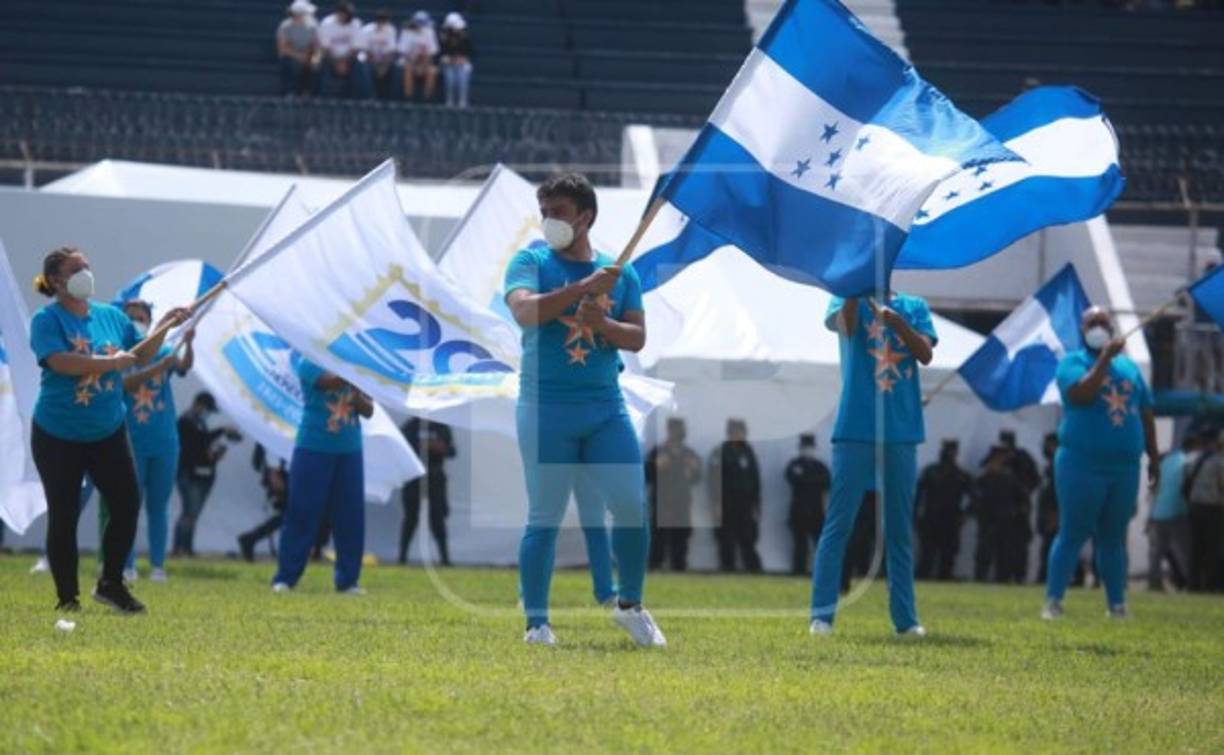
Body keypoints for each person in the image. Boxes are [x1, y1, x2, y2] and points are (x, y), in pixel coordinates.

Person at [503, 172, 664, 647]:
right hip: (544, 407)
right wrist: (581, 291)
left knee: (632, 506)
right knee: (545, 516)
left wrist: (604, 323)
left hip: (604, 409)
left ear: (586, 217)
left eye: (559, 212)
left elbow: (636, 337)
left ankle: (630, 605)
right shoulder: (530, 260)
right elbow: (524, 312)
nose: (550, 221)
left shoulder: (621, 272)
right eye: (545, 212)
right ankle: (537, 624)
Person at [28, 247, 188, 613]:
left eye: (86, 266)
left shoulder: (111, 317)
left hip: (107, 430)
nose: (86, 272)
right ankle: (67, 598)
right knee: (65, 513)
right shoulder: (46, 320)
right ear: (56, 280)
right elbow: (60, 362)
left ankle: (112, 584)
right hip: (58, 434)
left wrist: (165, 325)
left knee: (127, 502)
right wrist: (109, 363)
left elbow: (141, 354)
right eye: (75, 268)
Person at [810, 292, 937, 637]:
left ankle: (906, 621)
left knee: (899, 530)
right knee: (838, 524)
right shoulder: (844, 297)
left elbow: (925, 354)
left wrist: (898, 323)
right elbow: (846, 327)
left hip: (902, 428)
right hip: (856, 425)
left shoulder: (914, 306)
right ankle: (821, 616)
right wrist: (854, 288)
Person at [1042, 306, 1158, 620]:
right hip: (1081, 463)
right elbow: (1080, 395)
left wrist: (1154, 459)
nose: (1098, 327)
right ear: (1082, 329)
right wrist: (1105, 359)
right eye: (1092, 322)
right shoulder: (1071, 363)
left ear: (1112, 326)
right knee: (1073, 532)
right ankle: (1054, 601)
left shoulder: (1130, 368)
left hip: (1124, 467)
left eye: (1103, 322)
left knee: (1113, 535)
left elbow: (1146, 413)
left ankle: (1117, 604)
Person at [101, 300, 194, 583]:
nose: (137, 320)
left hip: (165, 441)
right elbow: (125, 385)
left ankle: (157, 566)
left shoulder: (164, 350)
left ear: (151, 321)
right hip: (132, 441)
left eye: (142, 317)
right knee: (128, 505)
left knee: (159, 506)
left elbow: (183, 366)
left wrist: (189, 344)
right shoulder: (120, 355)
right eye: (132, 317)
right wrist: (157, 369)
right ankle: (126, 565)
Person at [272, 359, 373, 593]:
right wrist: (357, 371)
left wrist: (358, 395)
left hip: (350, 450)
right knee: (302, 513)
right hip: (313, 447)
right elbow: (329, 382)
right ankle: (285, 578)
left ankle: (348, 581)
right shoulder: (306, 358)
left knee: (350, 518)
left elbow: (368, 410)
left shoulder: (350, 362)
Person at [173, 392, 241, 556]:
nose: (207, 412)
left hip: (205, 474)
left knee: (193, 514)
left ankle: (187, 548)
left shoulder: (201, 423)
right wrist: (222, 430)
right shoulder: (184, 422)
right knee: (189, 512)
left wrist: (215, 454)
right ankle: (179, 548)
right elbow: (197, 441)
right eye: (206, 408)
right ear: (197, 404)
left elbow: (203, 445)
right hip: (188, 474)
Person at [645, 417, 702, 572]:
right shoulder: (658, 452)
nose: (681, 432)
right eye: (678, 429)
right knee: (659, 539)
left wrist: (694, 470)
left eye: (682, 429)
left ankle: (680, 569)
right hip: (661, 502)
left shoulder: (689, 453)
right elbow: (646, 476)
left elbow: (698, 477)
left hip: (682, 502)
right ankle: (655, 568)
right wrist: (656, 466)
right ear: (670, 431)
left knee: (681, 538)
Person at [708, 419, 763, 573]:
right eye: (736, 432)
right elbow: (713, 480)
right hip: (727, 501)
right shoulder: (720, 452)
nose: (739, 435)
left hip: (746, 502)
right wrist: (716, 504)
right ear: (730, 433)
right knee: (726, 537)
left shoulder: (748, 451)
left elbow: (755, 479)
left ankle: (753, 569)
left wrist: (757, 504)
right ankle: (727, 567)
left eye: (741, 432)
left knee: (748, 536)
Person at [398, 417, 456, 566]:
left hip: (435, 478)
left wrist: (442, 448)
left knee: (437, 519)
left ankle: (445, 559)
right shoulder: (411, 426)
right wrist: (423, 446)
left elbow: (452, 451)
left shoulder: (441, 426)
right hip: (414, 477)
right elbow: (400, 448)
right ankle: (402, 558)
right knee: (410, 518)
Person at [915, 439, 972, 581]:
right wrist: (916, 517)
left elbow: (975, 497)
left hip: (951, 520)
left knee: (948, 557)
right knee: (927, 555)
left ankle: (944, 578)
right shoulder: (930, 472)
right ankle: (924, 578)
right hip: (931, 518)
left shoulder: (961, 475)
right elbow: (918, 496)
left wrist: (965, 514)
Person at [973, 446, 1031, 583]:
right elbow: (975, 500)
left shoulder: (1010, 480)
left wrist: (1016, 512)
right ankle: (980, 580)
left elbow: (1023, 500)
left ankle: (1003, 580)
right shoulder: (983, 479)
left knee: (1005, 556)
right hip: (987, 522)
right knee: (984, 554)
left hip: (1006, 523)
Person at [1146, 436, 1194, 591]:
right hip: (1177, 510)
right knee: (1185, 549)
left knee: (1158, 551)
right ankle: (1191, 582)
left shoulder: (1166, 462)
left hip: (1158, 513)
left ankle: (1154, 582)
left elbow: (1155, 488)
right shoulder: (1186, 461)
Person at [785, 434, 831, 576]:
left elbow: (827, 483)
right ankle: (799, 570)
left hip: (816, 511)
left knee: (820, 545)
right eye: (805, 447)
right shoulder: (794, 464)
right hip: (799, 511)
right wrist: (812, 481)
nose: (807, 449)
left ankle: (822, 572)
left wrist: (806, 480)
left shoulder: (820, 466)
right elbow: (792, 478)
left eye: (809, 447)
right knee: (800, 544)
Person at [1185, 428, 1224, 591]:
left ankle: (1193, 585)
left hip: (1194, 506)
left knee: (1196, 547)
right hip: (1212, 507)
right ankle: (1211, 584)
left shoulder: (1198, 459)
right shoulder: (1220, 463)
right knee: (1212, 547)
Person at [237, 444, 290, 562]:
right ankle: (250, 539)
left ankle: (250, 539)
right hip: (282, 480)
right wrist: (277, 484)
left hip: (284, 479)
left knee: (288, 516)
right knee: (289, 515)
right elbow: (273, 466)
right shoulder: (275, 431)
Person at [317, 2, 372, 99]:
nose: (346, 17)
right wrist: (336, 62)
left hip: (350, 59)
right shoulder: (327, 23)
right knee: (320, 64)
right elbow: (325, 48)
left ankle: (358, 100)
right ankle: (323, 99)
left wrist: (345, 62)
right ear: (338, 13)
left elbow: (357, 48)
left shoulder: (356, 23)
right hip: (330, 58)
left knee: (361, 66)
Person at [277, 0, 318, 96]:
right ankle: (288, 92)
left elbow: (315, 45)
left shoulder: (313, 26)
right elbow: (282, 49)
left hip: (308, 54)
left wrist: (309, 56)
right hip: (291, 55)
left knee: (315, 63)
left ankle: (307, 93)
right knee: (287, 62)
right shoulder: (285, 27)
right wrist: (298, 56)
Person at [398, 10, 438, 101]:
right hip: (408, 62)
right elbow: (403, 53)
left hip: (424, 62)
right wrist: (414, 64)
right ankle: (408, 99)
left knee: (432, 71)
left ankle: (426, 99)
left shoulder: (429, 32)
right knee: (408, 69)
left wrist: (423, 65)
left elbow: (431, 53)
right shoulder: (406, 32)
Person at [1036, 433, 1060, 582]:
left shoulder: (1058, 466)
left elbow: (1058, 492)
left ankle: (1050, 578)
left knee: (1051, 548)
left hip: (1054, 514)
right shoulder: (1049, 466)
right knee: (1046, 548)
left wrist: (1056, 514)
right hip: (1046, 513)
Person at [361, 9, 399, 100]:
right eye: (380, 21)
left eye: (384, 21)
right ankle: (371, 97)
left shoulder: (391, 30)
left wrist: (384, 66)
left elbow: (391, 51)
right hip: (369, 59)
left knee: (394, 67)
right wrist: (375, 65)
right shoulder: (367, 30)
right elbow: (366, 50)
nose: (382, 23)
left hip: (384, 59)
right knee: (366, 67)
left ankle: (387, 98)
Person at [438, 12, 473, 107]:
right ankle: (449, 101)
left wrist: (464, 59)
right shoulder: (443, 38)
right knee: (450, 77)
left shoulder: (465, 37)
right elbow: (441, 54)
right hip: (448, 64)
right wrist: (450, 59)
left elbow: (471, 53)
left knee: (463, 75)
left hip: (463, 64)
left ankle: (462, 101)